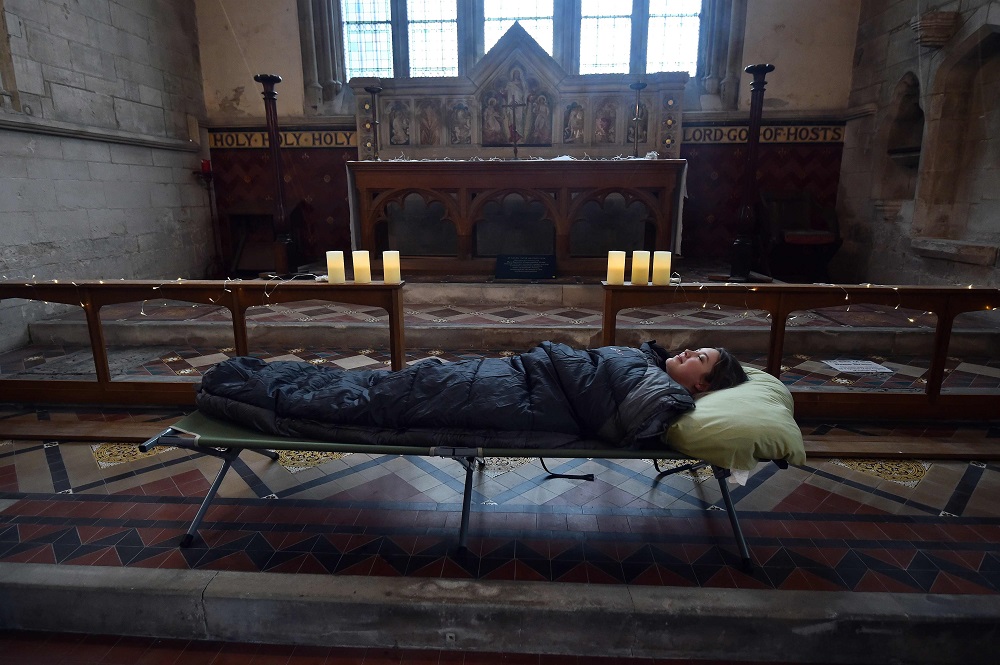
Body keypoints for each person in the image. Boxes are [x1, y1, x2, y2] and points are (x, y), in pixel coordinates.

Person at [659, 346, 748, 395]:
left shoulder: (664, 404)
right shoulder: (655, 356)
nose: (687, 351)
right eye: (696, 350)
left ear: (703, 385)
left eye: (700, 358)